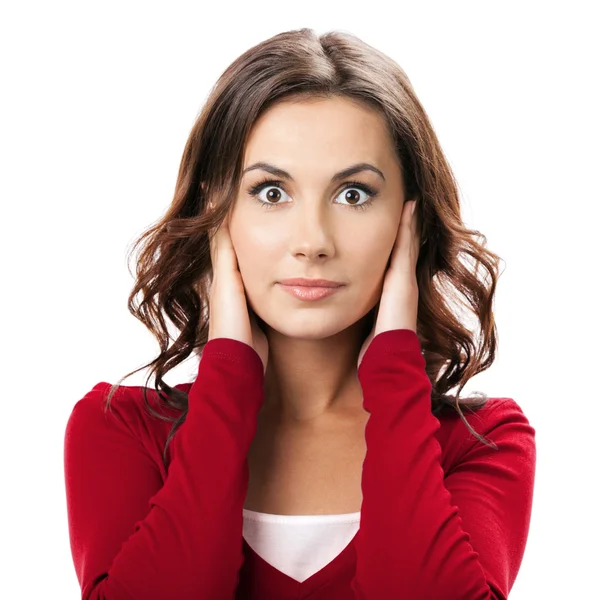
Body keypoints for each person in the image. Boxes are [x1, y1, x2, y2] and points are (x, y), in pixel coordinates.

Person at [63, 27, 536, 599]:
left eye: (354, 194)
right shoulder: (120, 428)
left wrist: (394, 372)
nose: (312, 240)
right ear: (217, 211)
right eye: (270, 192)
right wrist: (227, 381)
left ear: (410, 220)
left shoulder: (482, 441)